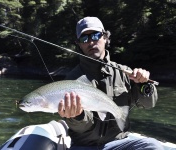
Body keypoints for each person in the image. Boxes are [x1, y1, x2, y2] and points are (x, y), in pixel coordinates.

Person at [58, 17, 164, 150]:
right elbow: (83, 127)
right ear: (79, 44)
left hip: (118, 144)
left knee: (153, 146)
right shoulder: (72, 80)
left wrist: (144, 85)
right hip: (84, 146)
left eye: (96, 35)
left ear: (105, 37)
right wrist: (77, 116)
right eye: (84, 38)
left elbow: (149, 104)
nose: (91, 42)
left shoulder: (125, 73)